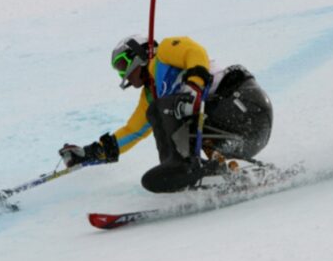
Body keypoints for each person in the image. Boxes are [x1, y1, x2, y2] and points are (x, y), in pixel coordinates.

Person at [59, 35, 273, 193]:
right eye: (119, 70)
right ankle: (218, 171)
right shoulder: (151, 96)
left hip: (244, 106)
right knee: (161, 111)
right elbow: (132, 131)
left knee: (167, 107)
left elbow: (194, 52)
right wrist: (88, 154)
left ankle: (182, 166)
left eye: (124, 65)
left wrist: (195, 84)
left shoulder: (164, 54)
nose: (124, 75)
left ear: (138, 54)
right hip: (238, 139)